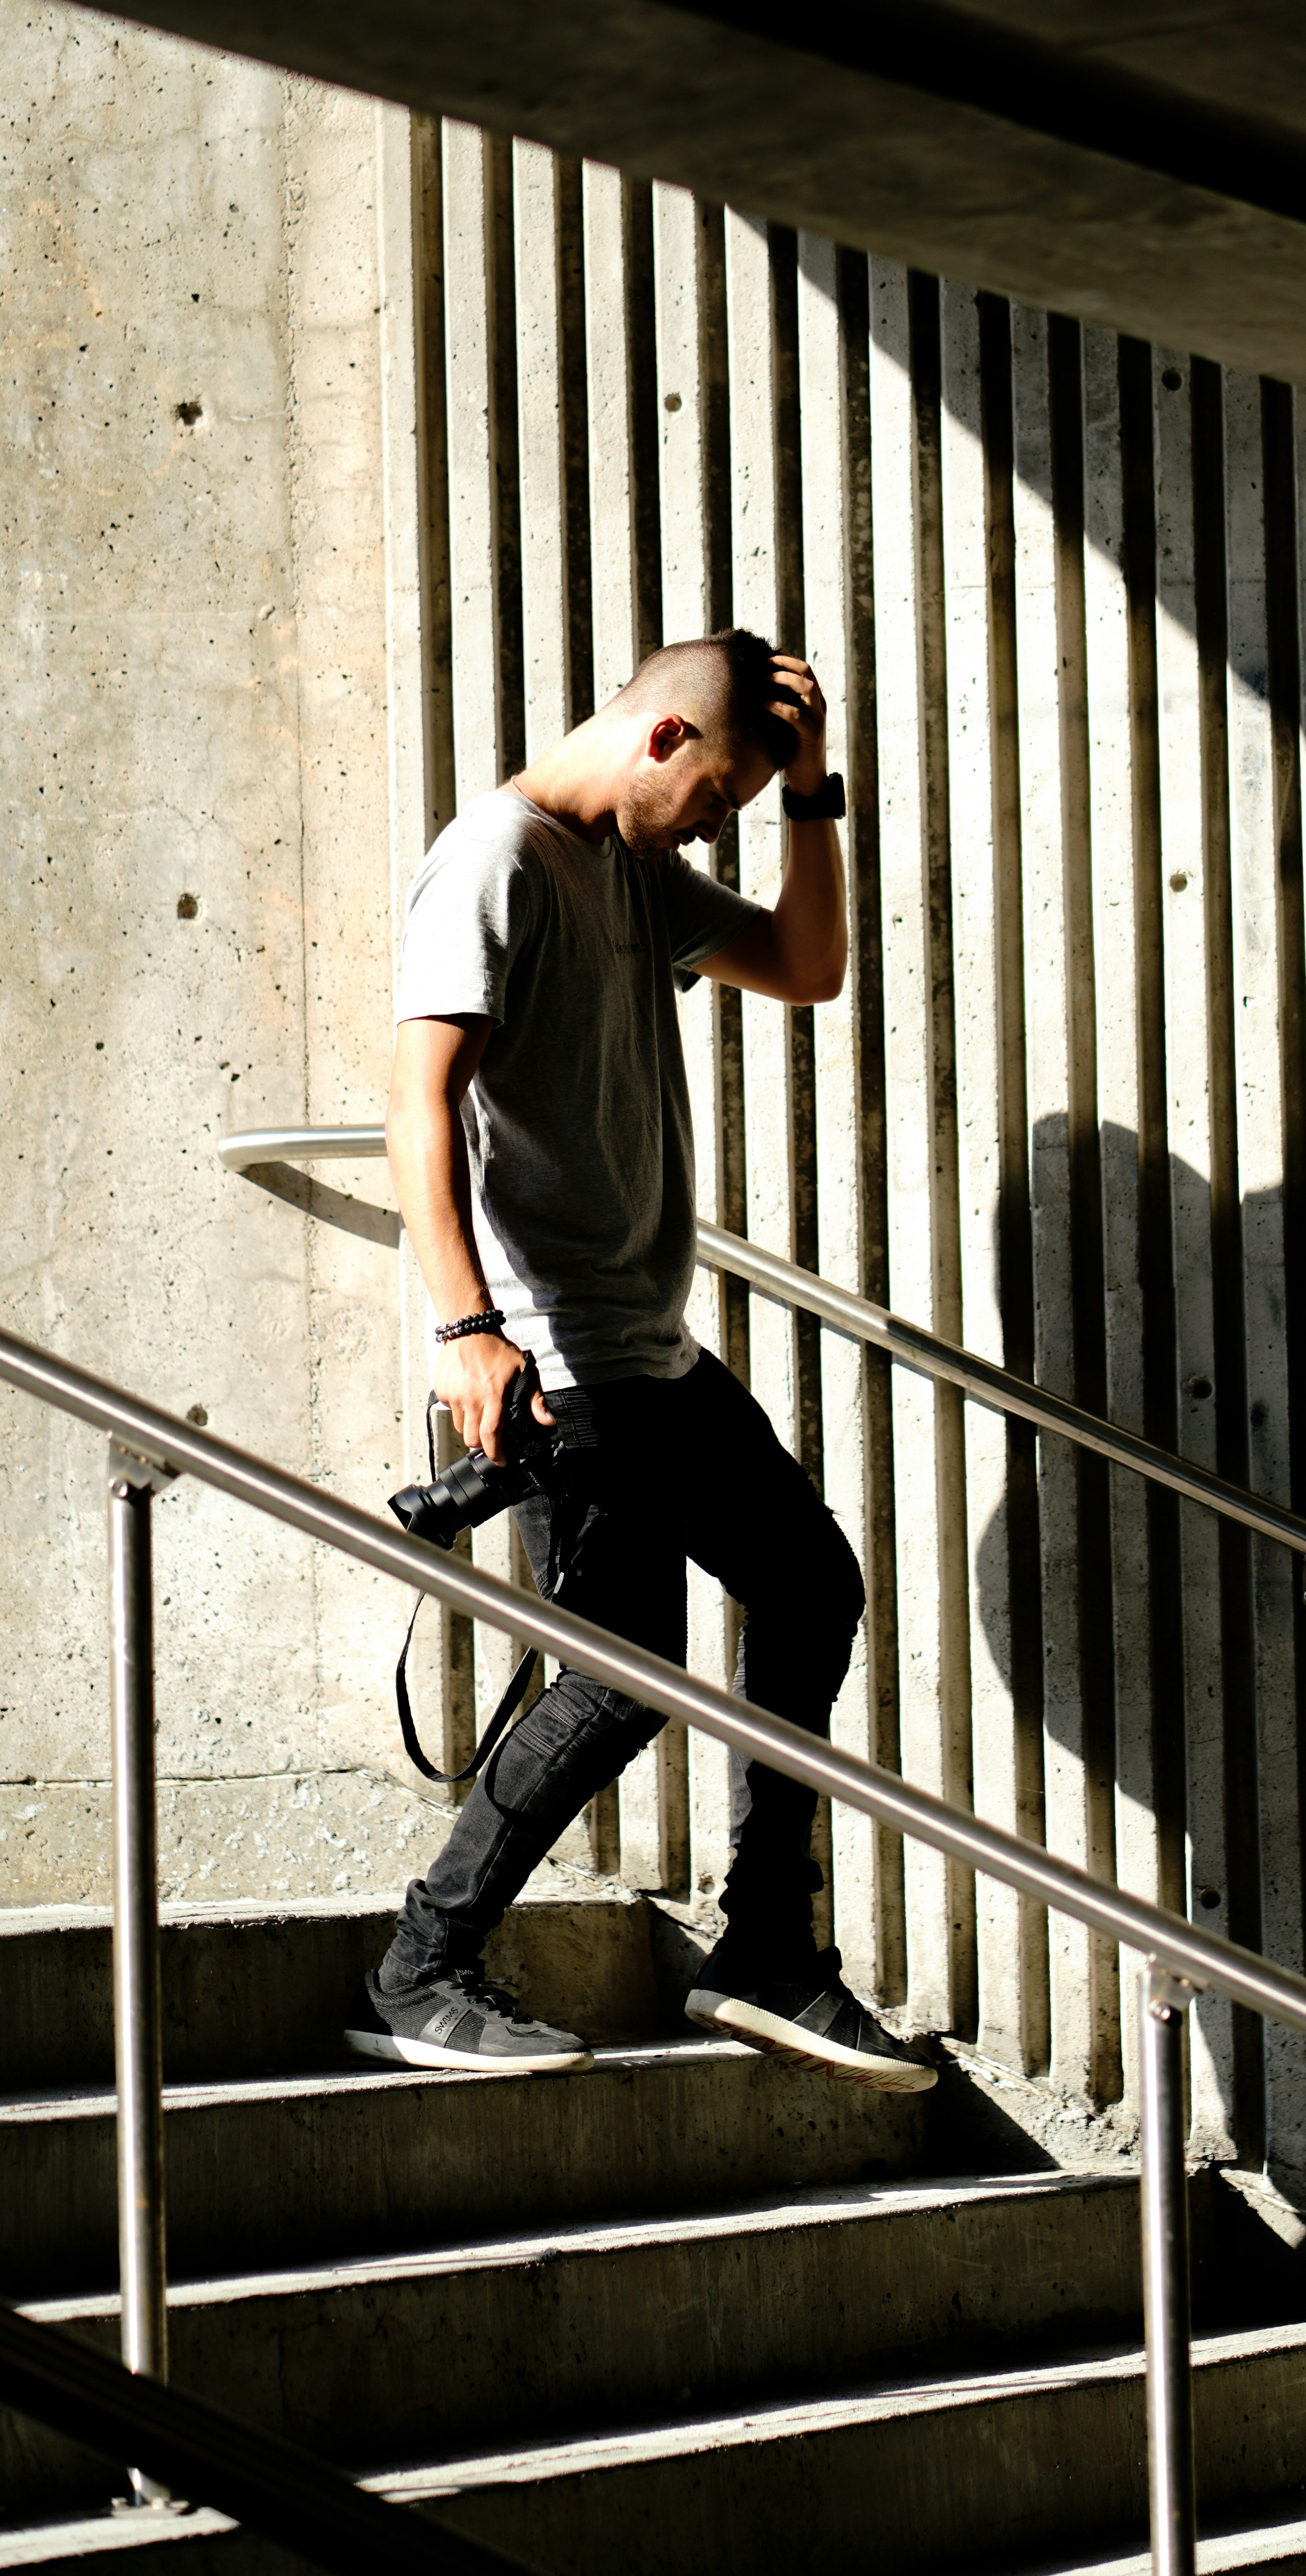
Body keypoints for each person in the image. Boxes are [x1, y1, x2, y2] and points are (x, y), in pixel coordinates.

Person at [342, 628, 932, 2091]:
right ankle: (420, 1969)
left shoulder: (627, 868)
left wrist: (809, 800)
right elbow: (418, 1103)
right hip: (555, 1354)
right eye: (725, 794)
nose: (722, 823)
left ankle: (766, 1955)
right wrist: (469, 1331)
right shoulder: (494, 858)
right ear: (664, 739)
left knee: (809, 1590)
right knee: (623, 1675)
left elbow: (806, 967)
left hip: (649, 1349)